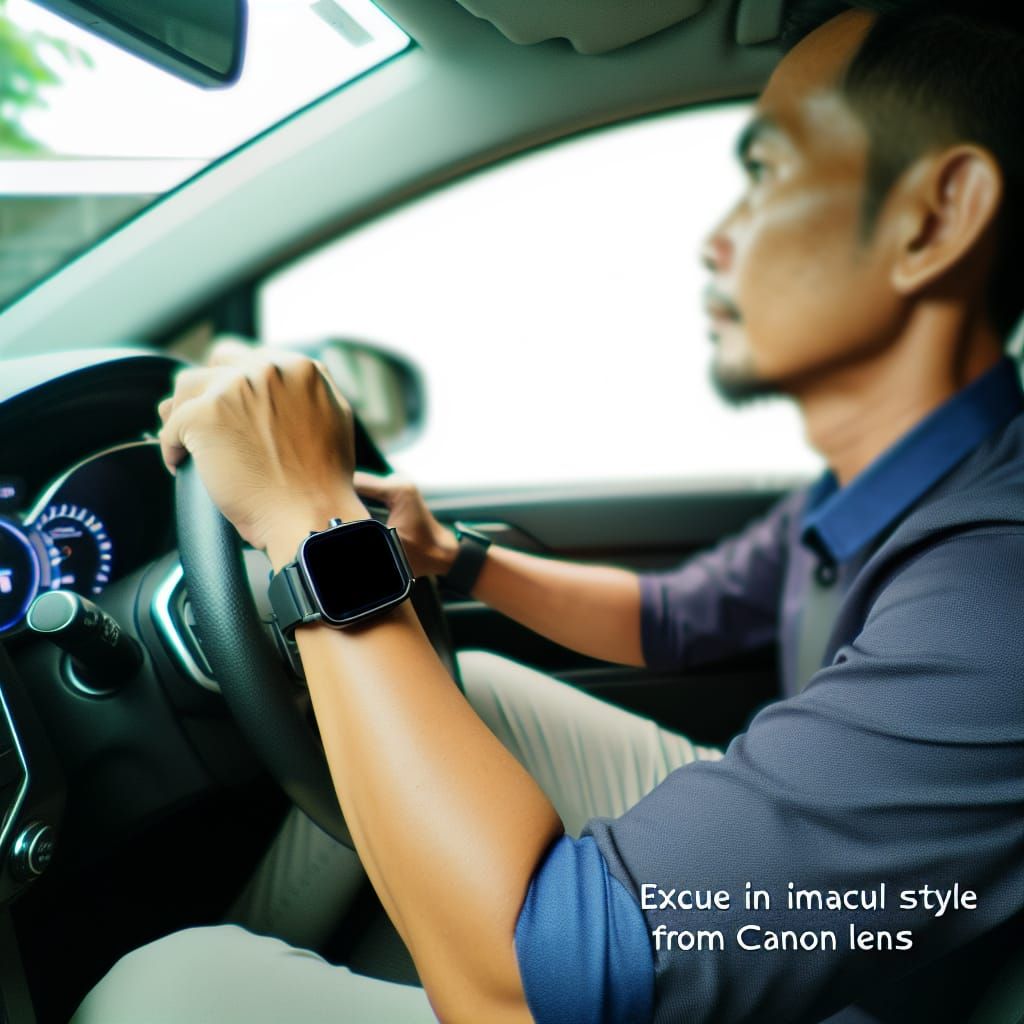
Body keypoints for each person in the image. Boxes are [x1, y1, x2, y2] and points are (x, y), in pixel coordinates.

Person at [72, 2, 1024, 1022]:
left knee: (164, 990)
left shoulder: (994, 594)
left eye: (772, 175)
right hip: (857, 893)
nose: (718, 240)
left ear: (934, 220)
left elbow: (523, 991)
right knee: (471, 691)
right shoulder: (900, 478)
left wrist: (312, 521)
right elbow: (673, 619)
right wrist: (456, 558)